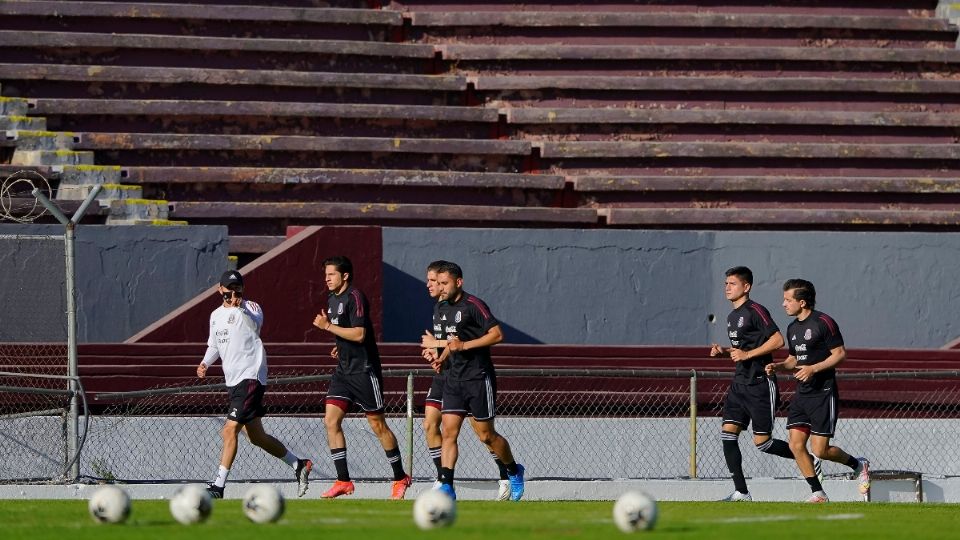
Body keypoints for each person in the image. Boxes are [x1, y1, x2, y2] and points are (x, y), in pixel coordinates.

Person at [197, 270, 312, 499]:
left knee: (229, 430)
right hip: (233, 380)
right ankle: (298, 464)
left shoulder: (252, 308)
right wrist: (204, 363)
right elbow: (215, 345)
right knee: (256, 437)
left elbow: (255, 325)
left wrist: (240, 308)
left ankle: (218, 487)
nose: (232, 294)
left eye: (237, 289)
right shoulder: (215, 315)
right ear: (220, 290)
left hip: (250, 376)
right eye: (228, 290)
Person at [419, 261, 524, 501]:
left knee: (486, 435)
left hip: (478, 378)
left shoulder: (474, 305)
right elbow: (451, 343)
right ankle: (447, 485)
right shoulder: (440, 308)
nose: (441, 288)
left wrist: (462, 345)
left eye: (445, 283)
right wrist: (440, 357)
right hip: (453, 379)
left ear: (459, 282)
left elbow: (497, 334)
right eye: (438, 283)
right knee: (449, 432)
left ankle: (514, 471)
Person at [312, 255, 412, 500]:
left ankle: (400, 477)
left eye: (331, 274)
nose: (327, 279)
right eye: (325, 275)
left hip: (364, 372)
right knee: (331, 421)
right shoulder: (332, 299)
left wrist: (328, 328)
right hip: (343, 372)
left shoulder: (355, 297)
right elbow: (347, 335)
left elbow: (359, 334)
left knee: (378, 425)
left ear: (345, 275)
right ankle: (343, 480)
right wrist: (339, 345)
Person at [766, 278, 870, 503]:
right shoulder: (792, 327)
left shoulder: (824, 322)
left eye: (787, 300)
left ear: (802, 302)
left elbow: (840, 354)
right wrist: (779, 366)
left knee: (820, 450)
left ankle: (858, 465)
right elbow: (794, 359)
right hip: (802, 394)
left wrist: (813, 368)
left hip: (823, 393)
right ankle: (818, 493)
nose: (783, 304)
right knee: (795, 444)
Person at [709, 266, 802, 502]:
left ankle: (807, 458)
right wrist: (725, 352)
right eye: (726, 284)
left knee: (763, 443)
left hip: (760, 384)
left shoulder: (756, 310)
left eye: (732, 284)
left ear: (746, 287)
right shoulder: (732, 317)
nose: (727, 288)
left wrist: (747, 356)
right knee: (728, 434)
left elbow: (778, 340)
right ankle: (741, 491)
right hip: (739, 384)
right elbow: (744, 350)